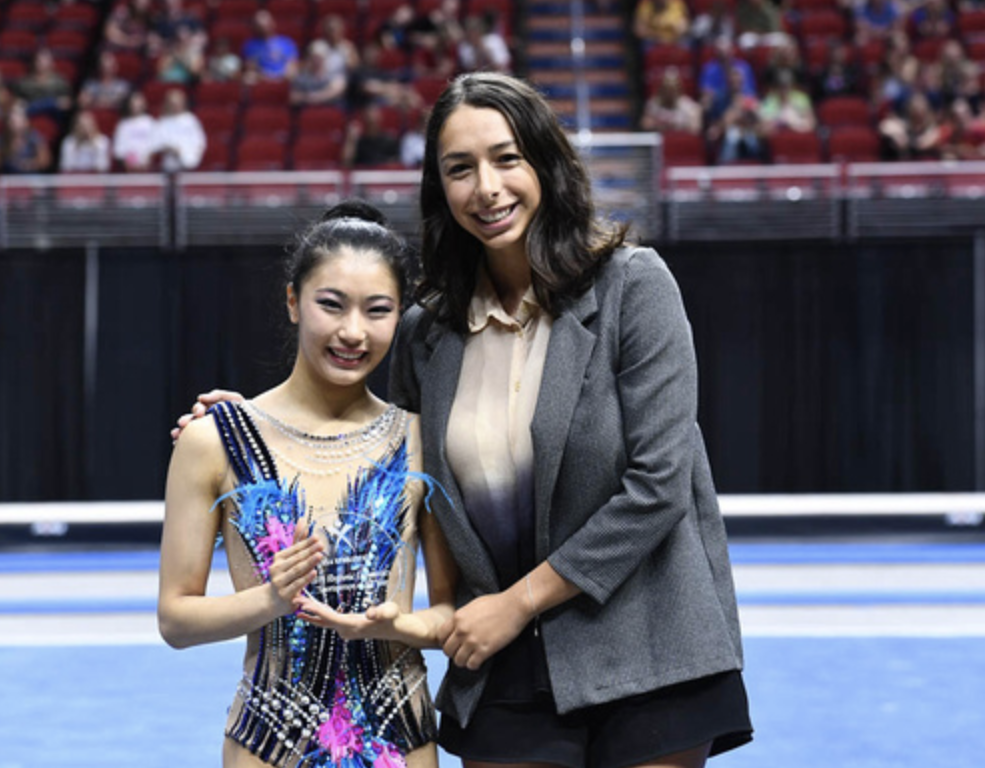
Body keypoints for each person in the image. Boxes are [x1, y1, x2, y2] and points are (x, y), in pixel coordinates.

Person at [178, 72, 752, 768]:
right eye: (460, 169)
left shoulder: (635, 285)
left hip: (646, 646)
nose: (486, 188)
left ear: (546, 163)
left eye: (507, 159)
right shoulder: (425, 333)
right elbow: (379, 439)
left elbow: (659, 486)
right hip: (503, 660)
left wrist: (517, 603)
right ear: (440, 188)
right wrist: (246, 427)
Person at [159, 200, 457, 768]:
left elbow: (452, 613)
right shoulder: (214, 440)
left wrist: (403, 625)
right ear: (293, 301)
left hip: (399, 737)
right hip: (269, 742)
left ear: (401, 315)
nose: (352, 332)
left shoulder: (421, 439)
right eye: (331, 305)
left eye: (377, 310)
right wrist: (270, 601)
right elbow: (175, 620)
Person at [152, 87, 205, 171]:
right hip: (169, 165)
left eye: (178, 103)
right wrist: (170, 148)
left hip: (190, 161)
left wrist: (188, 153)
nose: (176, 106)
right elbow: (156, 144)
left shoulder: (190, 119)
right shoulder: (163, 122)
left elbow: (200, 141)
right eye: (173, 104)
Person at [112, 91, 157, 171]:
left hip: (147, 165)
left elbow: (155, 145)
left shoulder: (150, 122)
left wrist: (147, 162)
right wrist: (128, 163)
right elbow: (118, 149)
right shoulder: (123, 124)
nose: (135, 106)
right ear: (129, 105)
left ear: (144, 105)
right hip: (128, 166)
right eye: (133, 104)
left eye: (138, 103)